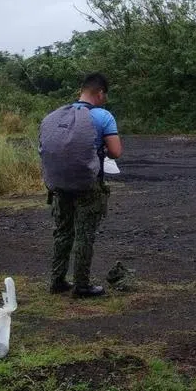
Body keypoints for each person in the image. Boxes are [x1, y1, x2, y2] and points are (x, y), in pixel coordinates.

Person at [42, 73, 122, 298]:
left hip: (59, 185)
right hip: (88, 185)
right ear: (100, 93)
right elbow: (115, 152)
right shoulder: (103, 116)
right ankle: (82, 284)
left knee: (62, 232)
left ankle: (57, 281)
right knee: (84, 235)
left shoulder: (56, 115)